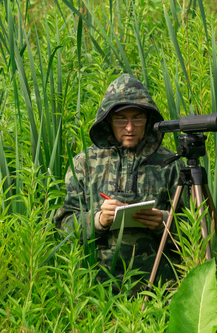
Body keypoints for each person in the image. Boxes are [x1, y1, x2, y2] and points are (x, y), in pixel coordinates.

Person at [53, 73, 181, 289]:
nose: (129, 128)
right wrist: (98, 220)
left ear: (148, 120)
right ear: (108, 120)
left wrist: (164, 222)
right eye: (121, 119)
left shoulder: (170, 163)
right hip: (96, 291)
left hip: (159, 291)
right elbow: (62, 225)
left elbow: (200, 231)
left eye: (137, 118)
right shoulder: (84, 163)